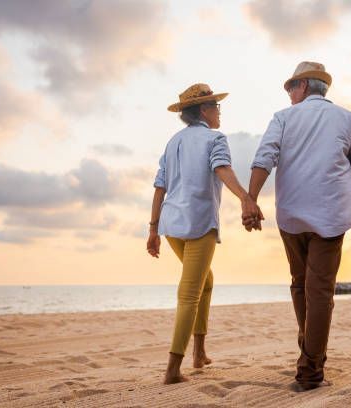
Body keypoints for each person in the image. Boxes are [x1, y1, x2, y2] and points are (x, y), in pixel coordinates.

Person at [245, 61, 351, 392]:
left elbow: (264, 158)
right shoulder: (348, 119)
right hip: (332, 215)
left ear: (303, 86)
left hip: (290, 216)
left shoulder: (283, 118)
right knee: (319, 291)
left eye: (291, 87)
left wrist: (251, 199)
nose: (288, 93)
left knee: (301, 284)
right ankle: (311, 367)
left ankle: (309, 352)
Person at [147, 83, 261, 384]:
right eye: (216, 107)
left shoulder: (173, 142)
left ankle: (199, 353)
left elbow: (160, 187)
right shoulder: (215, 138)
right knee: (189, 293)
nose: (219, 112)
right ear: (204, 111)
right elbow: (223, 169)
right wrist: (246, 198)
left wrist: (153, 229)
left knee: (205, 281)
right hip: (198, 225)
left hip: (171, 225)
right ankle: (172, 370)